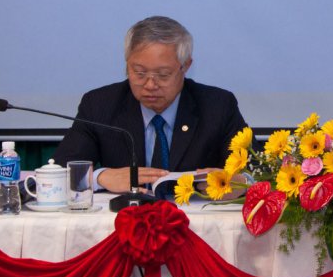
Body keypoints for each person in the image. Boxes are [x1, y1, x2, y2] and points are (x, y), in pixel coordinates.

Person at [53, 15, 248, 193]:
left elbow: (255, 172)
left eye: (163, 75)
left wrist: (238, 182)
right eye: (139, 72)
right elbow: (58, 173)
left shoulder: (218, 106)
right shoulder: (99, 105)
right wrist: (100, 177)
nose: (150, 85)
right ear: (127, 63)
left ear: (186, 66)